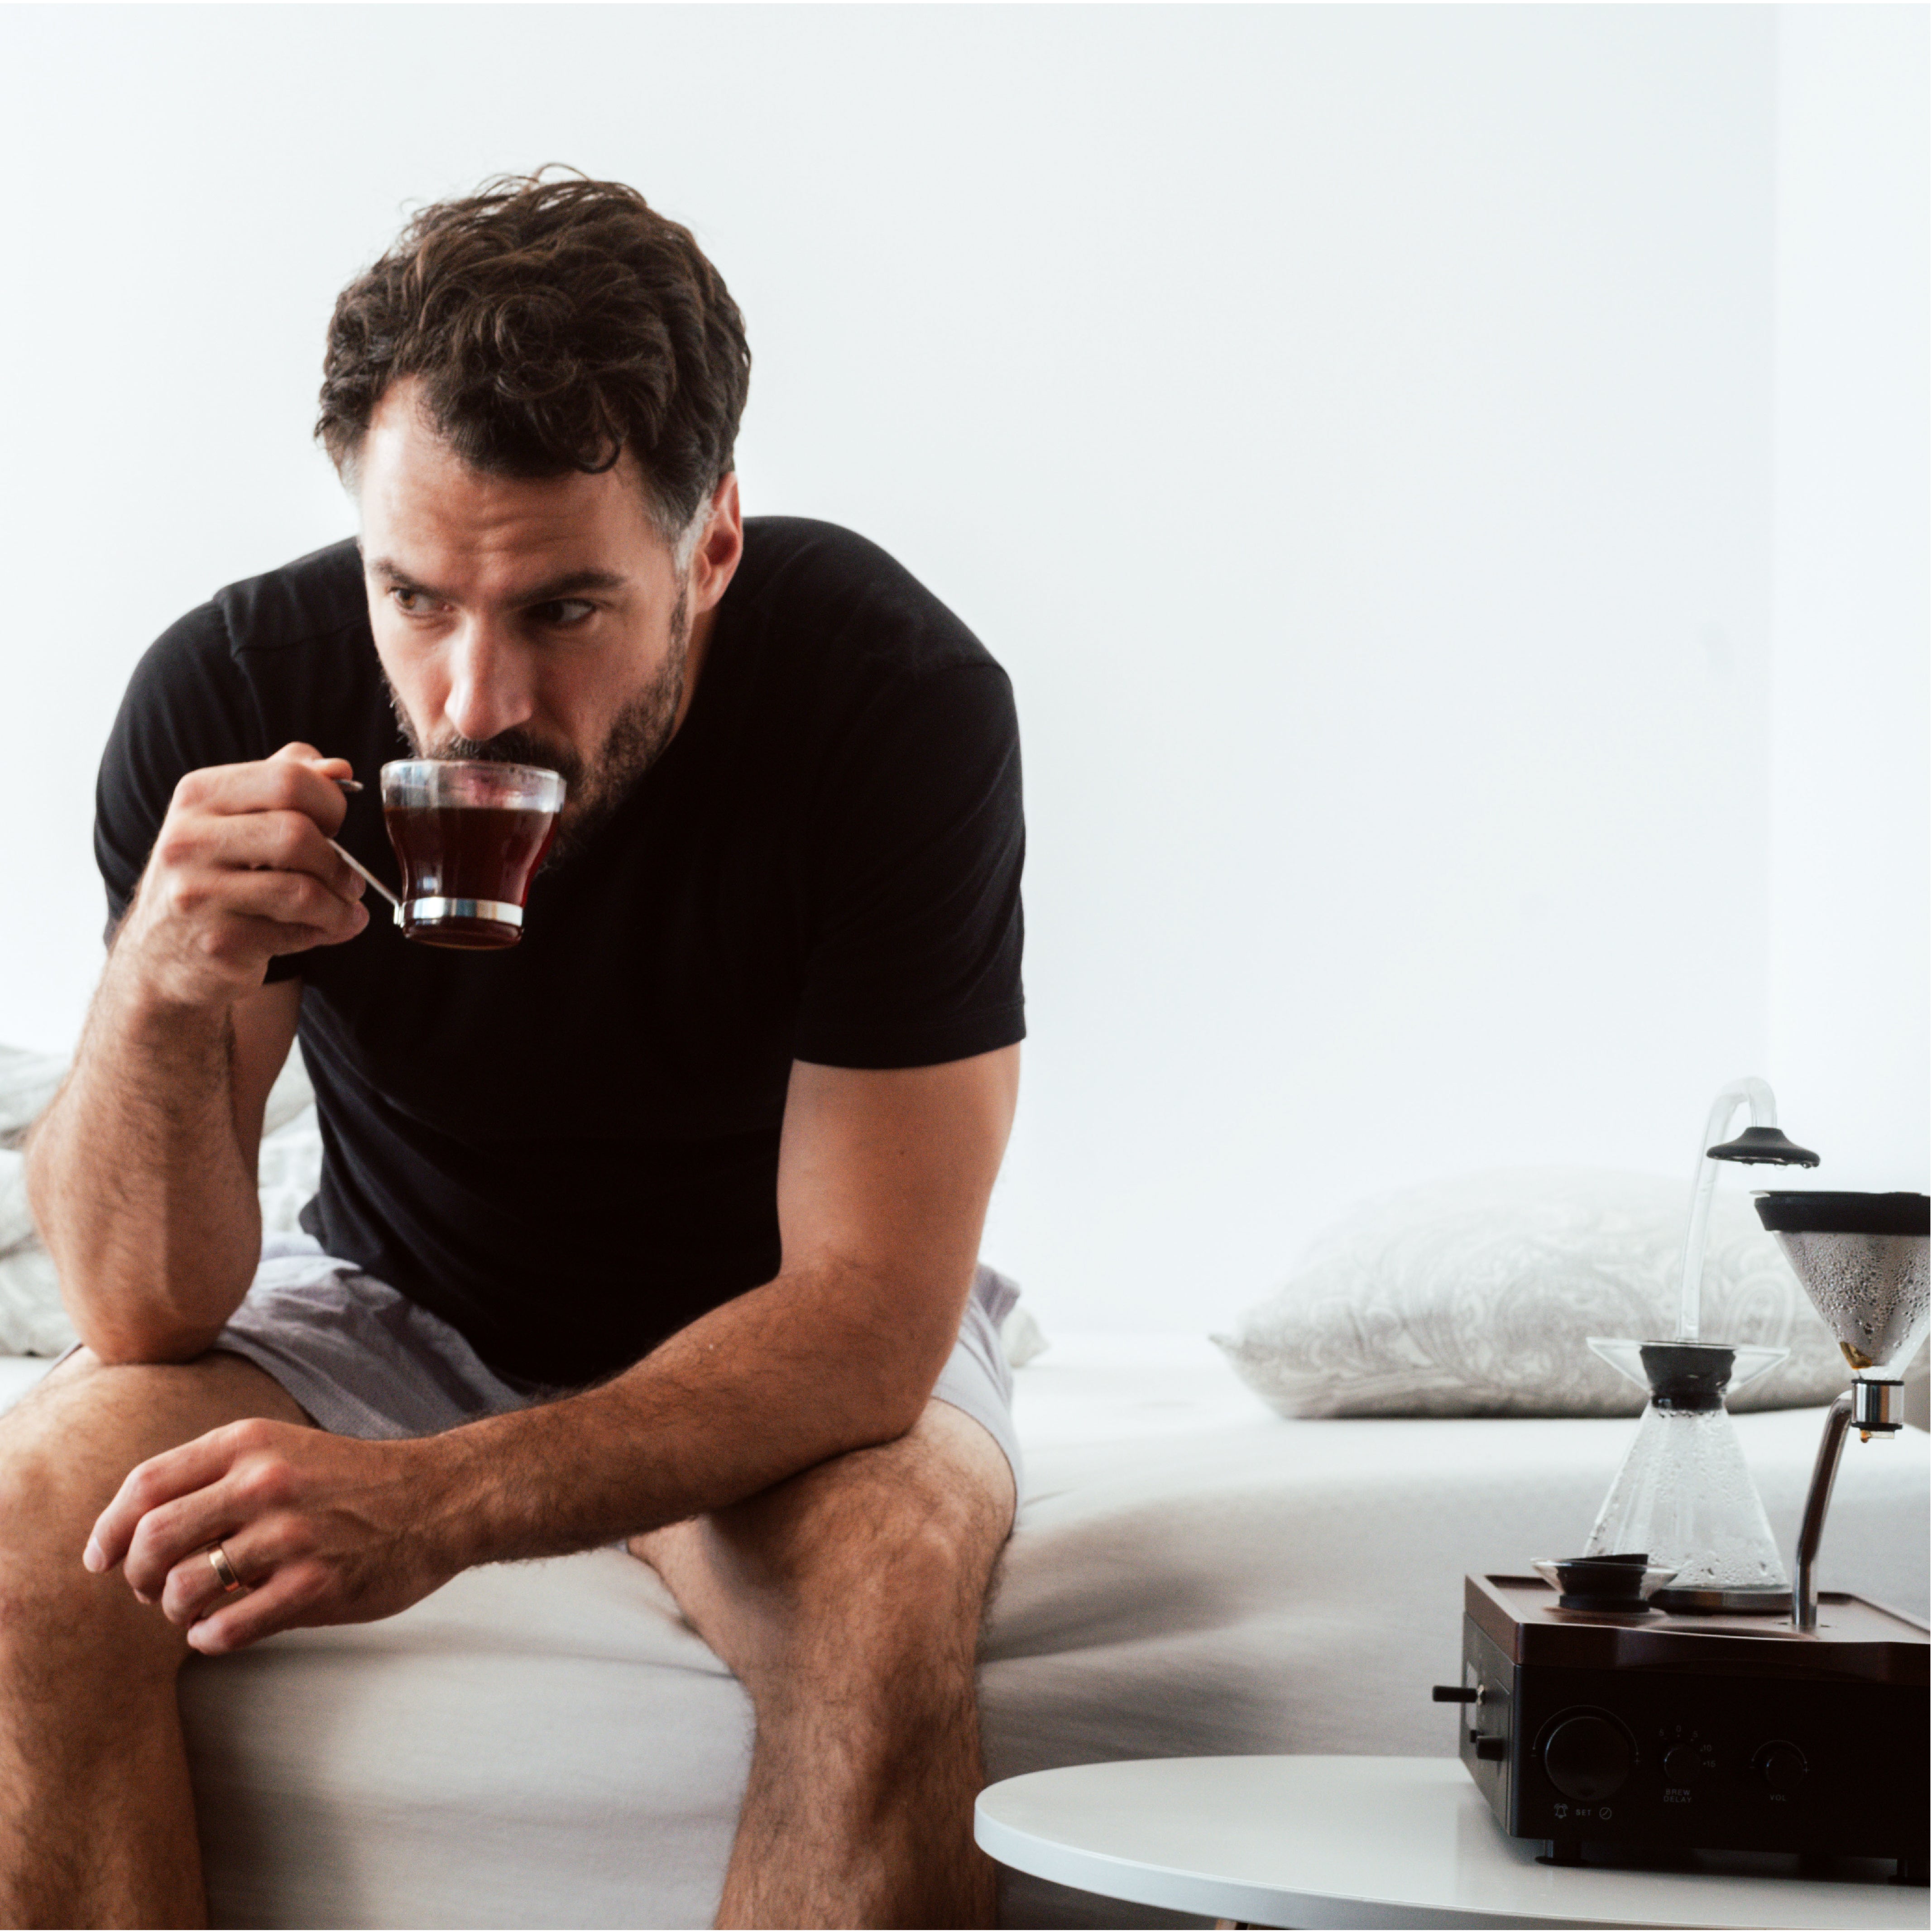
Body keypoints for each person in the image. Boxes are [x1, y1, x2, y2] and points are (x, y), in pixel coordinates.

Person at [3, 171, 1026, 1931]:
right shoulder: (234, 693)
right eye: (415, 596)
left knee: (892, 1563)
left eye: (562, 609)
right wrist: (160, 987)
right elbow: (144, 1309)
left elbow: (865, 1316)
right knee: (36, 1515)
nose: (473, 695)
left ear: (707, 547)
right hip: (401, 1305)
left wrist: (438, 1505)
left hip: (770, 1331)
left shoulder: (889, 698)